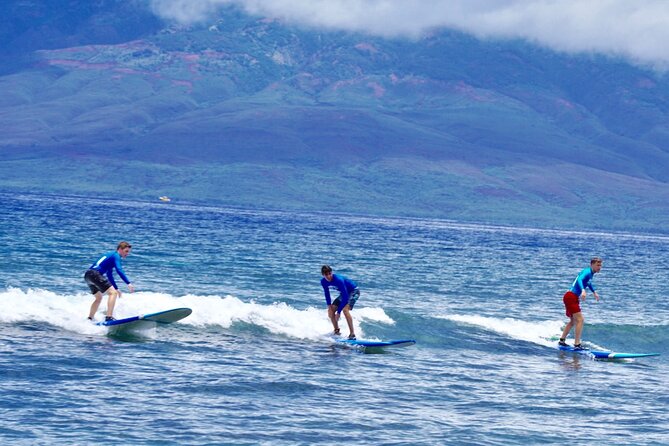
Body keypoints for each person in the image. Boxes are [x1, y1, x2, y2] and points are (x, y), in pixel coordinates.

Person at [84, 241, 135, 321]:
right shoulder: (116, 256)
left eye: (128, 252)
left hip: (88, 275)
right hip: (94, 274)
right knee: (113, 293)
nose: (127, 254)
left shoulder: (111, 256)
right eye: (126, 251)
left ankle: (90, 318)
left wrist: (116, 288)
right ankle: (109, 317)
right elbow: (119, 269)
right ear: (120, 249)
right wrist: (128, 283)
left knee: (98, 298)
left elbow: (109, 275)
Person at [558, 257, 602, 350]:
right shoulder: (587, 272)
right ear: (592, 264)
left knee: (573, 321)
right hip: (571, 297)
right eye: (598, 265)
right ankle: (577, 345)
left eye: (600, 265)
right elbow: (579, 279)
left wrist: (594, 292)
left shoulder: (590, 274)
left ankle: (562, 341)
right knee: (580, 320)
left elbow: (588, 283)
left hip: (570, 297)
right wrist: (582, 290)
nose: (599, 267)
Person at [320, 265, 360, 340]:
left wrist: (338, 312)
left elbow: (345, 298)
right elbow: (327, 294)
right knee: (330, 311)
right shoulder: (323, 282)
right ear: (323, 275)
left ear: (332, 272)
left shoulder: (338, 280)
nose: (328, 276)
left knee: (345, 310)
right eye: (326, 274)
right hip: (345, 293)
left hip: (354, 291)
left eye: (330, 273)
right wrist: (329, 306)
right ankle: (336, 331)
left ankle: (352, 334)